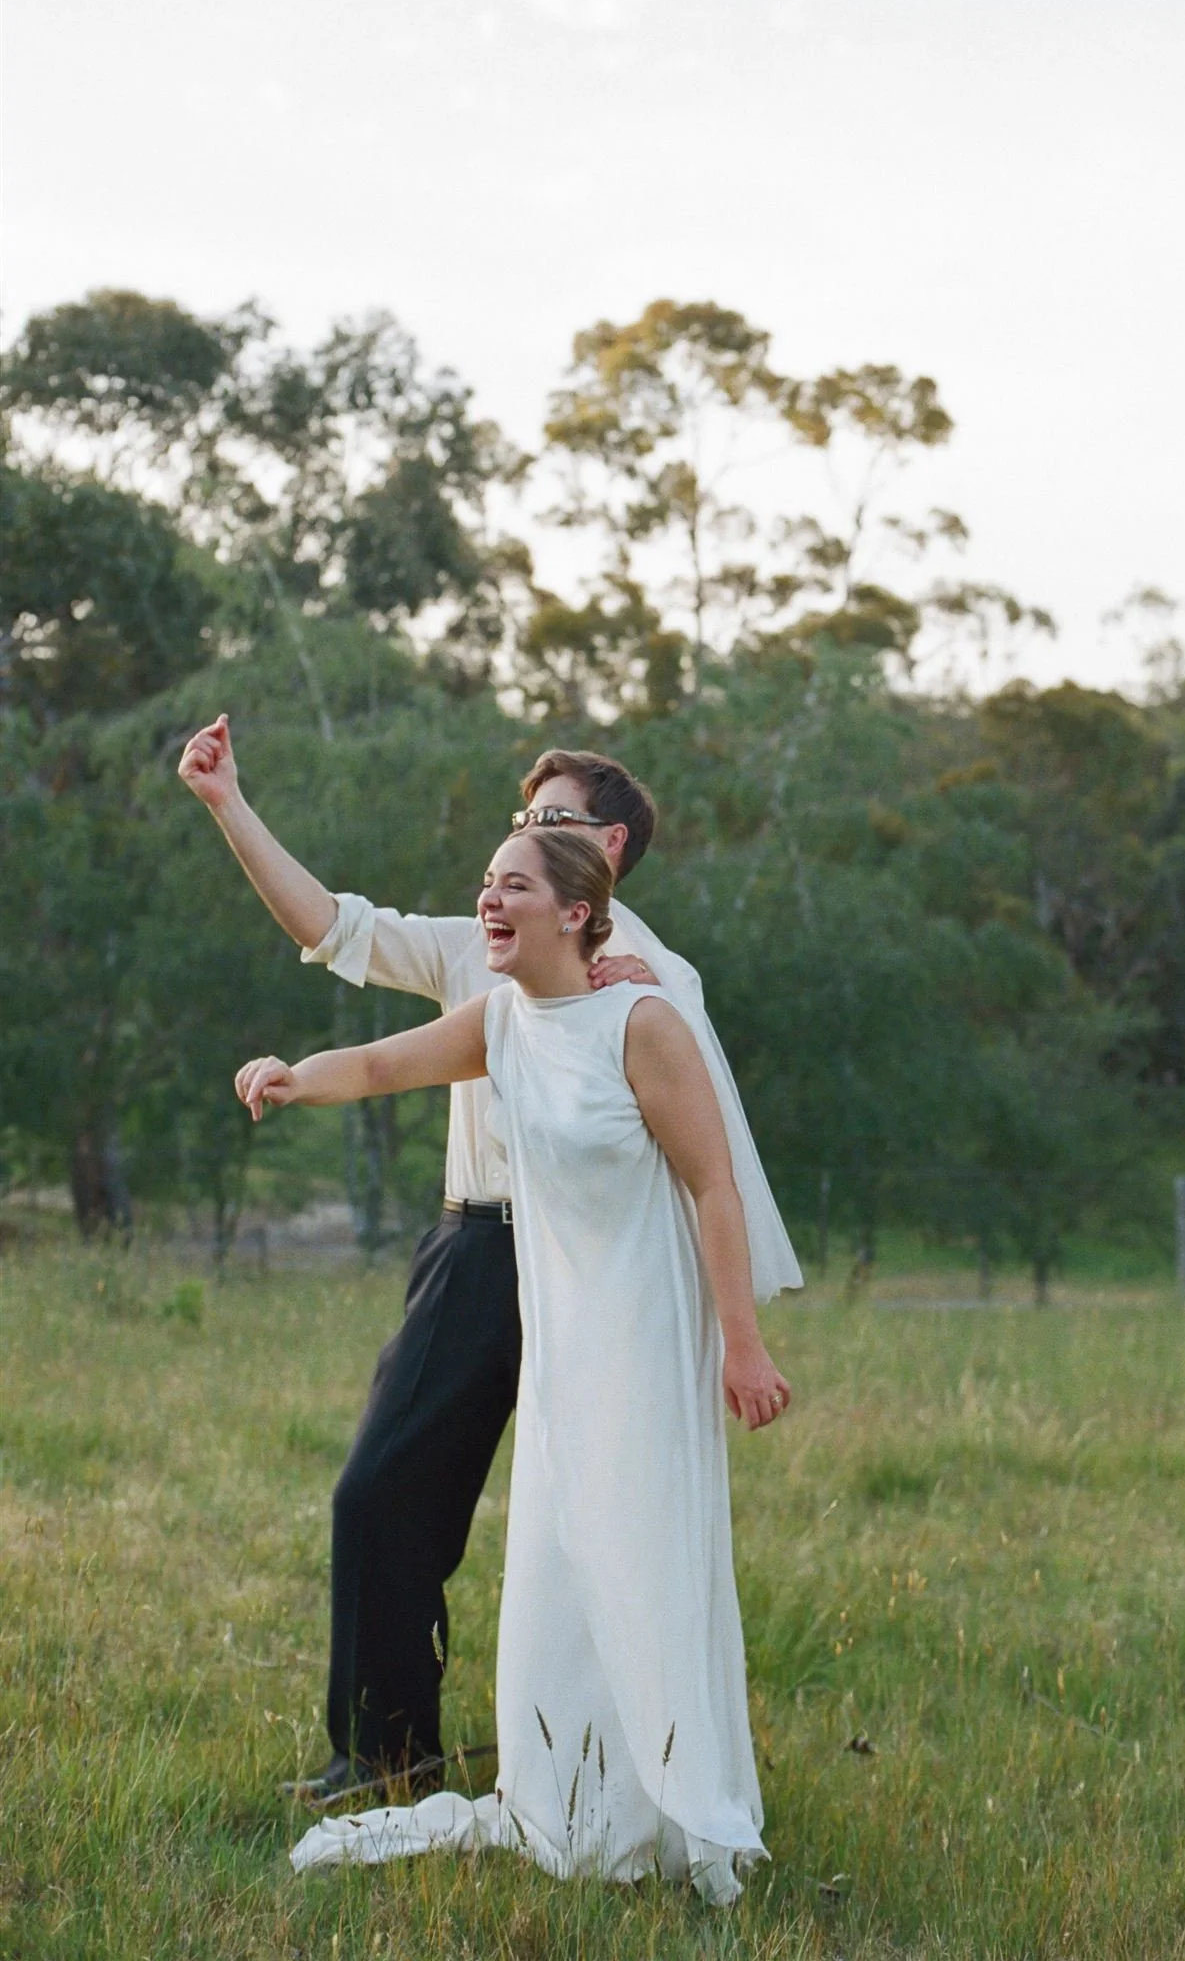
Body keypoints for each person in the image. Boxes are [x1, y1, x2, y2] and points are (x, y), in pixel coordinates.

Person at [177, 714, 802, 1805]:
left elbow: (702, 1170)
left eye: (551, 820)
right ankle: (384, 1750)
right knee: (381, 1492)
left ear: (606, 849)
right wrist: (228, 802)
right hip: (478, 1247)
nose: (522, 839)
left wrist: (728, 1333)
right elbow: (335, 932)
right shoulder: (482, 940)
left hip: (604, 1272)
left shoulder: (652, 982)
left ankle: (622, 1765)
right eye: (519, 819)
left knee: (596, 1515)